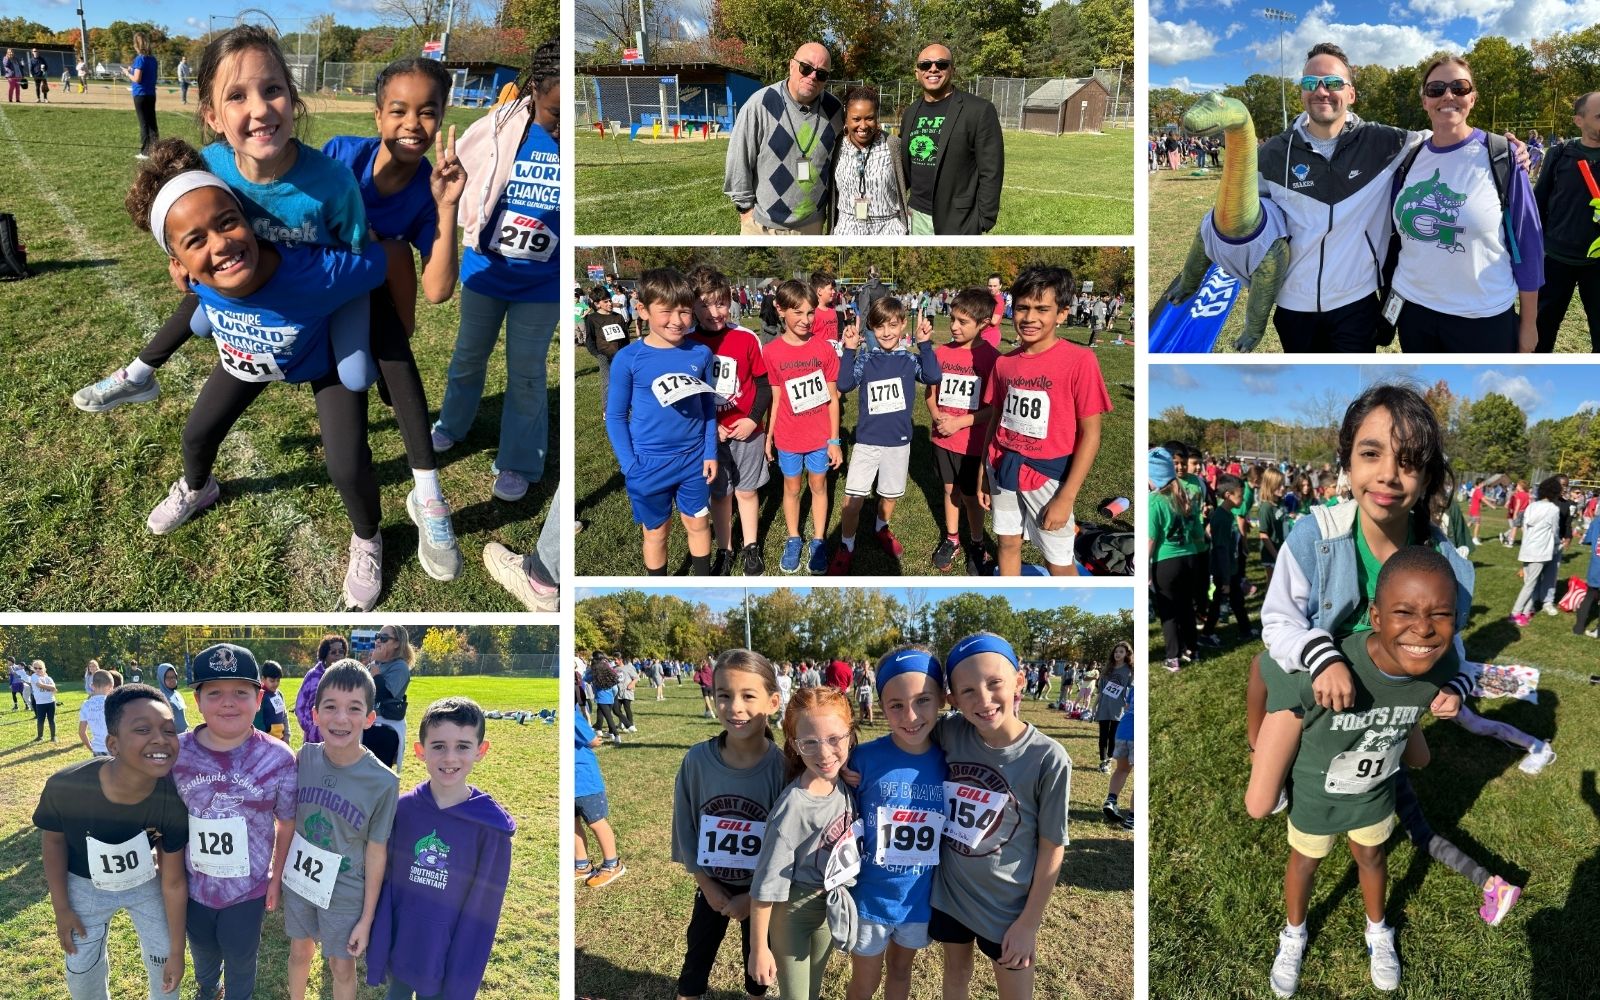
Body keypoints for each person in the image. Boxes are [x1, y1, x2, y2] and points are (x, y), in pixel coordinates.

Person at [120, 139, 391, 610]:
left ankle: (368, 539)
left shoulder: (312, 273)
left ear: (248, 219)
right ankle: (198, 489)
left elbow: (375, 261)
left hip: (320, 356)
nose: (221, 244)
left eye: (229, 222)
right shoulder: (201, 280)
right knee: (197, 434)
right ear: (178, 265)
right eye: (195, 242)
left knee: (347, 464)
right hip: (248, 356)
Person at [1257, 548, 1462, 997]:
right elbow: (1265, 666)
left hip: (1374, 793)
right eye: (1404, 612)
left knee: (1371, 857)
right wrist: (1256, 737)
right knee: (1305, 862)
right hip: (1316, 795)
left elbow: (1455, 669)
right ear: (1374, 614)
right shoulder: (1332, 666)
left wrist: (1457, 692)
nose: (1423, 628)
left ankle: (1377, 930)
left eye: (1441, 615)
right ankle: (1293, 933)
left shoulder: (1438, 665)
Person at [321, 56, 471, 581]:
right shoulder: (340, 154)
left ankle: (427, 495)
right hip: (316, 301)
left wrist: (448, 206)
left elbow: (438, 290)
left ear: (442, 116)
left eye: (428, 112)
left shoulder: (431, 189)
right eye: (399, 110)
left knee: (390, 341)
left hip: (374, 310)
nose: (413, 124)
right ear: (377, 115)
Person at [432, 39, 561, 504]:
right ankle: (451, 424)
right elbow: (460, 177)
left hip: (544, 284)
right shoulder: (502, 127)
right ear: (536, 89)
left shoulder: (577, 141)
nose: (562, 122)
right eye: (553, 111)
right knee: (468, 356)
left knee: (527, 374)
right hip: (486, 270)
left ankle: (520, 459)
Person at [930, 633, 1069, 1000]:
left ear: (1019, 681)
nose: (984, 699)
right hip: (951, 894)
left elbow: (1052, 847)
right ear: (953, 699)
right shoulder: (950, 732)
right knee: (955, 975)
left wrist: (1029, 923)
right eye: (968, 691)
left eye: (995, 684)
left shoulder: (1049, 758)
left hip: (1007, 909)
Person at [35, 685, 189, 1000]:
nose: (159, 738)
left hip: (145, 882)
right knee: (81, 970)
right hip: (84, 885)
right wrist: (61, 908)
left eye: (168, 729)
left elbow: (172, 882)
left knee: (165, 963)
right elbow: (53, 843)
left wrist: (176, 950)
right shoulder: (66, 787)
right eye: (143, 729)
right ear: (113, 744)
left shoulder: (172, 803)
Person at [1389, 55, 1542, 352]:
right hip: (1414, 312)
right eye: (1436, 89)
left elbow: (1529, 245)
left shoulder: (1502, 156)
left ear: (1472, 98)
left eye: (1459, 88)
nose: (1448, 95)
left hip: (1482, 315)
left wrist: (1529, 323)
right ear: (1424, 101)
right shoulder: (1408, 158)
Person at [171, 642, 297, 1000]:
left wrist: (276, 878)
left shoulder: (278, 759)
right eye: (215, 693)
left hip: (248, 887)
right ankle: (208, 989)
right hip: (194, 883)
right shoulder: (177, 753)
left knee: (242, 956)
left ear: (259, 698)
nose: (228, 702)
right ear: (197, 700)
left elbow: (286, 824)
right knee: (203, 949)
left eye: (240, 693)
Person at [367, 697, 516, 999]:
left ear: (481, 750)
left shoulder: (490, 828)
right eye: (438, 746)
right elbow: (386, 880)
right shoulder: (403, 810)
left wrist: (463, 966)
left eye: (462, 746)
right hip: (404, 939)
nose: (450, 758)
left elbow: (483, 909)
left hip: (447, 947)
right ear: (420, 751)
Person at [980, 266, 1112, 576]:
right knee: (1008, 543)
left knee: (1059, 559)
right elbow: (996, 419)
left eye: (1042, 309)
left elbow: (1091, 434)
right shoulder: (1003, 363)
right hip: (1001, 467)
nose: (1029, 318)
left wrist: (1066, 497)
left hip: (1048, 479)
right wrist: (982, 472)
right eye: (1023, 308)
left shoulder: (1080, 361)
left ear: (1062, 314)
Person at [671, 650, 786, 1000]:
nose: (735, 707)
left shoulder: (782, 769)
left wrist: (752, 898)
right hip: (712, 887)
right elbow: (685, 828)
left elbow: (786, 847)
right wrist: (706, 885)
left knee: (759, 966)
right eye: (724, 695)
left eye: (748, 696)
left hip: (762, 894)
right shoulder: (696, 762)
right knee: (696, 960)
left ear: (773, 701)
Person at [284, 660, 399, 1000]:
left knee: (341, 967)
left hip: (346, 890)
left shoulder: (383, 782)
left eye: (354, 709)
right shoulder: (304, 757)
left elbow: (377, 851)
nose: (341, 718)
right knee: (299, 953)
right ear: (315, 714)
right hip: (301, 881)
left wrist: (367, 917)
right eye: (331, 707)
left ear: (369, 718)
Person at [745, 686, 859, 1000]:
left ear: (850, 734)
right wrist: (759, 948)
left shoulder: (846, 783)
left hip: (829, 908)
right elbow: (766, 884)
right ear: (795, 746)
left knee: (813, 990)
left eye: (835, 739)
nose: (824, 754)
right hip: (793, 913)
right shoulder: (793, 806)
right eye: (810, 743)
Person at [844, 647, 944, 1000]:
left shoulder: (952, 758)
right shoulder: (863, 758)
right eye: (896, 705)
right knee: (864, 982)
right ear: (881, 705)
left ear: (942, 699)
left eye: (923, 700)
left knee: (901, 973)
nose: (911, 715)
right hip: (869, 898)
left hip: (918, 900)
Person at [604, 267, 719, 576]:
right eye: (666, 311)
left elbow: (708, 405)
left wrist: (710, 452)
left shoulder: (702, 353)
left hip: (694, 461)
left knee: (698, 525)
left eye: (683, 311)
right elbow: (615, 416)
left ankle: (703, 582)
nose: (676, 320)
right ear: (642, 310)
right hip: (648, 464)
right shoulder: (628, 359)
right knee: (656, 533)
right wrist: (629, 464)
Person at [829, 296, 940, 574]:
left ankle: (881, 527)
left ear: (903, 324)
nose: (887, 332)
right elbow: (843, 383)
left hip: (898, 444)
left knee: (889, 497)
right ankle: (846, 545)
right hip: (867, 443)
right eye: (880, 327)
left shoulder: (908, 360)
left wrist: (924, 344)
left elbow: (933, 376)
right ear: (871, 328)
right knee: (851, 501)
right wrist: (849, 350)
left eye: (893, 325)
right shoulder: (866, 360)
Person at [686, 265, 770, 578]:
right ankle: (725, 548)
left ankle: (751, 546)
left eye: (720, 303)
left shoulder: (746, 338)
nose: (714, 311)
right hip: (710, 436)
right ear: (692, 305)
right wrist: (709, 427)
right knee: (720, 494)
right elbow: (687, 396)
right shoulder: (687, 344)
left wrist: (752, 420)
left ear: (730, 301)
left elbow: (762, 385)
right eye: (705, 304)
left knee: (746, 491)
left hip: (747, 432)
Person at [762, 280, 843, 574]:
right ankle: (794, 537)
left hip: (819, 436)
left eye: (810, 313)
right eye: (798, 313)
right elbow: (775, 396)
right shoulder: (771, 352)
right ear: (780, 310)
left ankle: (819, 540)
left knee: (818, 485)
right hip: (788, 436)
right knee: (792, 487)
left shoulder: (823, 350)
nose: (806, 320)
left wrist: (835, 440)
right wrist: (769, 436)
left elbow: (833, 399)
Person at [724, 42, 844, 236]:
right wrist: (745, 210)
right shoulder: (760, 104)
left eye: (821, 74)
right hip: (763, 226)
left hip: (812, 226)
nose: (812, 76)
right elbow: (738, 160)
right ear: (791, 65)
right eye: (806, 68)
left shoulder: (835, 111)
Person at [928, 287, 1001, 575]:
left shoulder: (992, 359)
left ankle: (977, 542)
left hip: (972, 443)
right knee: (949, 490)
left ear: (983, 324)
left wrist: (959, 423)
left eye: (963, 322)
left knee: (971, 496)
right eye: (953, 318)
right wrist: (937, 417)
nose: (954, 326)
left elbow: (993, 408)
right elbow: (931, 395)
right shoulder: (941, 353)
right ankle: (952, 538)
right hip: (942, 440)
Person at [900, 44, 1004, 235]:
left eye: (941, 64)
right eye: (925, 65)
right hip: (915, 216)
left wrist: (984, 219)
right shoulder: (911, 112)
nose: (933, 69)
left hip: (958, 221)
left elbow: (992, 170)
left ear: (952, 70)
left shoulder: (978, 110)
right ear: (917, 73)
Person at [1534, 91, 1600, 352]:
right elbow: (1539, 203)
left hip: (1597, 264)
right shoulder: (1560, 154)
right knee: (1543, 329)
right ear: (1578, 121)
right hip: (1556, 259)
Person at [830, 87, 908, 235]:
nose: (863, 126)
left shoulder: (892, 145)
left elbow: (906, 181)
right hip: (846, 229)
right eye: (856, 119)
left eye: (869, 118)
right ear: (846, 118)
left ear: (877, 118)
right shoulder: (837, 145)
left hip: (888, 229)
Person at [574, 703, 626, 887]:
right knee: (572, 823)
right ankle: (582, 865)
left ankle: (613, 864)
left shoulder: (571, 714)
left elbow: (592, 740)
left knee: (595, 821)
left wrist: (593, 738)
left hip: (584, 781)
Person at [1509, 477, 1563, 625]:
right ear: (1555, 492)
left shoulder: (1532, 506)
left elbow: (1525, 527)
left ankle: (1526, 612)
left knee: (1530, 582)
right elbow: (1555, 531)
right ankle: (1515, 613)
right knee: (1530, 584)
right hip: (1540, 551)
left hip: (1527, 548)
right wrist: (1559, 544)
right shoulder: (1553, 509)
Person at [369, 626, 414, 770]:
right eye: (377, 636)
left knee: (379, 775)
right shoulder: (377, 664)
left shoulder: (400, 667)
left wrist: (375, 672)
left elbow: (385, 695)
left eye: (384, 638)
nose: (378, 641)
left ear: (397, 643)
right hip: (370, 726)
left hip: (385, 731)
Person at [296, 634, 346, 744]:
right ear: (325, 654)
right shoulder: (312, 676)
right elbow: (300, 706)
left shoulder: (348, 677)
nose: (338, 655)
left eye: (341, 652)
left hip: (339, 737)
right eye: (333, 652)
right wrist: (311, 728)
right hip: (314, 739)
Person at [1092, 641, 1132, 772]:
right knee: (1103, 735)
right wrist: (1094, 705)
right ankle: (1103, 761)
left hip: (1119, 708)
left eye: (1121, 652)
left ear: (1127, 654)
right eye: (1116, 651)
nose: (1118, 654)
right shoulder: (1107, 668)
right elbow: (1101, 690)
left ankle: (1109, 760)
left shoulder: (1130, 670)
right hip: (1104, 706)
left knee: (1113, 736)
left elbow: (1132, 689)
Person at [1102, 684, 1135, 831]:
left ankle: (1111, 800)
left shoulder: (1135, 687)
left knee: (1121, 770)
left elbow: (1128, 707)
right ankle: (1133, 819)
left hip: (1123, 730)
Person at [124, 34, 159, 157]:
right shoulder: (153, 59)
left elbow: (137, 79)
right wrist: (132, 69)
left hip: (140, 94)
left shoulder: (140, 59)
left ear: (137, 45)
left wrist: (127, 73)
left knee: (144, 123)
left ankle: (145, 152)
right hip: (151, 94)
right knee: (152, 123)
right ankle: (155, 150)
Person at [253, 660, 292, 742]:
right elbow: (258, 722)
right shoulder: (260, 695)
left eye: (278, 680)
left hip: (281, 739)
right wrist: (265, 740)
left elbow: (284, 715)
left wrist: (287, 734)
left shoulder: (279, 694)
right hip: (267, 741)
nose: (276, 684)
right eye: (272, 681)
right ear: (263, 679)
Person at [78, 670, 114, 756]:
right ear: (111, 686)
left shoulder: (86, 705)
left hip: (97, 750)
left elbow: (81, 732)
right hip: (114, 748)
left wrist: (90, 747)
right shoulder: (113, 703)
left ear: (92, 686)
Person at [29, 659, 58, 742]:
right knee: (40, 720)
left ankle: (53, 737)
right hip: (40, 703)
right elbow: (40, 685)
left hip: (51, 702)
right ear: (34, 669)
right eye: (36, 668)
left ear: (44, 669)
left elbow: (55, 690)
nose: (38, 670)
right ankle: (40, 736)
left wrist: (52, 688)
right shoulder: (34, 676)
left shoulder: (49, 678)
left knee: (51, 720)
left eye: (40, 668)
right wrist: (51, 687)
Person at [156, 663, 189, 734]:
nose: (172, 680)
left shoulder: (177, 694)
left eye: (174, 677)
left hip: (183, 733)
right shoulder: (160, 697)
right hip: (171, 736)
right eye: (168, 678)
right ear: (161, 678)